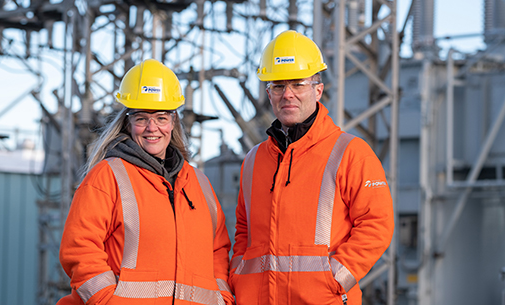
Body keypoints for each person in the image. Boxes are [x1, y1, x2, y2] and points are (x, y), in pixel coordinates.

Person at [228, 30, 394, 305]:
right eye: (278, 86)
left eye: (298, 84)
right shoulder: (253, 161)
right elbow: (244, 232)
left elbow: (377, 223)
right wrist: (239, 278)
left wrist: (337, 278)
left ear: (318, 90)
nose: (288, 95)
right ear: (269, 94)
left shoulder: (350, 153)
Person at [57, 59, 234, 305]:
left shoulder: (200, 183)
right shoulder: (107, 176)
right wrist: (109, 302)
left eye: (161, 118)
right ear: (128, 122)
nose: (152, 128)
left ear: (173, 121)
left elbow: (218, 252)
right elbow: (79, 250)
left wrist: (222, 299)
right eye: (141, 118)